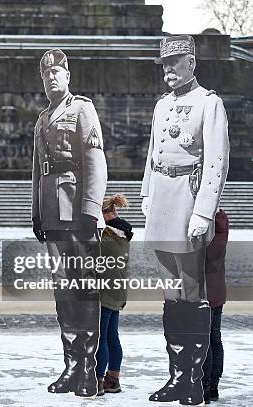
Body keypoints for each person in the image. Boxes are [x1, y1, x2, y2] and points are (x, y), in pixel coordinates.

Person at [141, 35, 229, 405]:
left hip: (187, 199)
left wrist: (203, 211)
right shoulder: (162, 106)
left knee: (192, 297)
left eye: (175, 63)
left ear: (191, 63)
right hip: (161, 197)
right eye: (165, 65)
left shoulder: (209, 104)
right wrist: (146, 194)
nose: (169, 72)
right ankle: (176, 376)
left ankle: (195, 380)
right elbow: (152, 153)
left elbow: (216, 162)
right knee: (171, 296)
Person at [31, 49, 107, 398]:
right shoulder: (42, 119)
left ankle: (89, 369)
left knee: (85, 287)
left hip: (78, 211)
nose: (51, 79)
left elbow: (95, 159)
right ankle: (71, 366)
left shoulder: (82, 109)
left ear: (67, 75)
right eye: (46, 75)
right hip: (52, 212)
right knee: (64, 290)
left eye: (56, 73)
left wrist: (92, 209)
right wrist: (37, 212)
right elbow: (37, 172)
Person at [96, 194, 133, 396]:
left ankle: (98, 381)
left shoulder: (105, 236)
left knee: (101, 337)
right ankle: (113, 380)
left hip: (104, 293)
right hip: (118, 291)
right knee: (112, 336)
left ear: (105, 214)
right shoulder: (122, 233)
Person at [202, 209, 228, 403]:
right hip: (217, 291)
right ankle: (213, 386)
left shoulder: (208, 231)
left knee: (205, 341)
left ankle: (205, 387)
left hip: (204, 293)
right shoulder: (222, 226)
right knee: (215, 338)